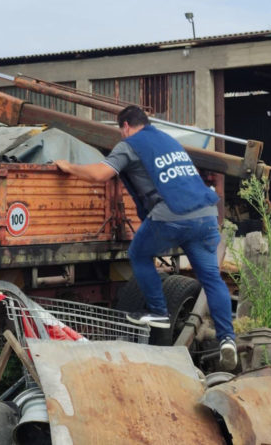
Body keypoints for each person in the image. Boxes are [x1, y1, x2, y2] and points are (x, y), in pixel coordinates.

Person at [54, 105, 237, 370]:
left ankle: (159, 314)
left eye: (121, 131)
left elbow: (100, 174)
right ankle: (227, 340)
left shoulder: (130, 144)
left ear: (125, 126)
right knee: (211, 279)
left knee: (139, 253)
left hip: (173, 214)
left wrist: (69, 166)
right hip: (207, 214)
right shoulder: (168, 141)